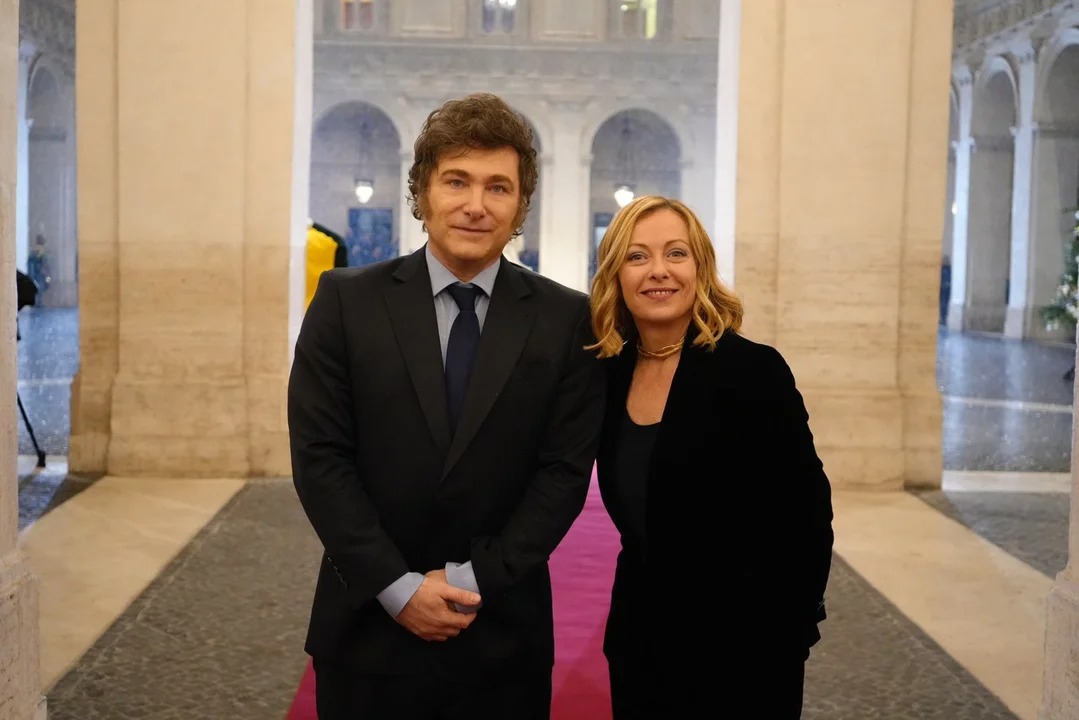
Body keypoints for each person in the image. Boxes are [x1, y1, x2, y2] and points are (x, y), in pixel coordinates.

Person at [288, 92, 606, 720]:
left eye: (498, 187)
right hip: (367, 627)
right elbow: (321, 459)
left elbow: (563, 473)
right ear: (423, 191)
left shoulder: (566, 318)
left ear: (520, 204)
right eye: (456, 181)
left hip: (501, 632)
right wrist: (398, 588)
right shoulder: (346, 303)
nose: (475, 205)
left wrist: (469, 581)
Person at [588, 196, 834, 718]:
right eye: (637, 256)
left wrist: (787, 632)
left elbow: (808, 515)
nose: (658, 271)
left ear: (700, 267)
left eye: (676, 253)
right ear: (615, 275)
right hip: (641, 642)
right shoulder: (608, 374)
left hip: (745, 649)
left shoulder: (753, 371)